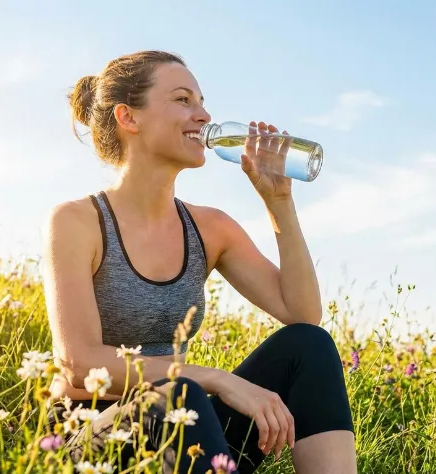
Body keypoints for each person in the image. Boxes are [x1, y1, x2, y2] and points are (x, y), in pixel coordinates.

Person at [40, 50, 356, 473]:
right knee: (179, 393)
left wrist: (279, 201)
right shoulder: (78, 221)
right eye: (183, 99)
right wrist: (216, 379)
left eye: (202, 102)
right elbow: (79, 363)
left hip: (187, 433)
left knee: (308, 346)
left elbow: (302, 315)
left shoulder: (210, 228)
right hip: (91, 437)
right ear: (129, 117)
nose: (204, 115)